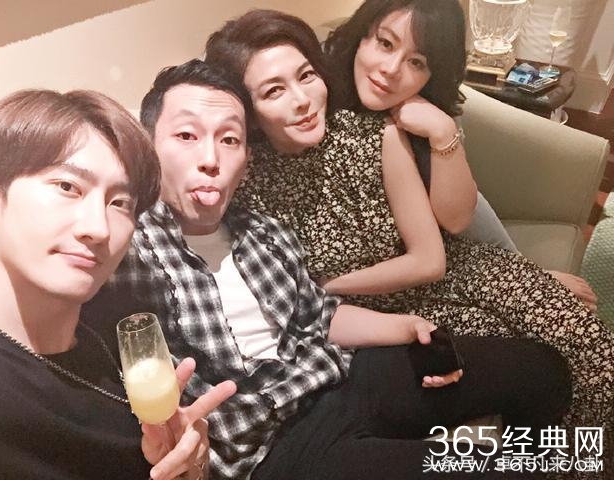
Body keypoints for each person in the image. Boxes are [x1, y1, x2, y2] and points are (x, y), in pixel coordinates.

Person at [84, 59, 572, 480]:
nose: (210, 159)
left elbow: (320, 315)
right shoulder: (127, 251)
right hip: (275, 451)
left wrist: (407, 327)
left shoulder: (262, 232)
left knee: (542, 370)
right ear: (150, 148)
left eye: (229, 139)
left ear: (246, 159)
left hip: (340, 379)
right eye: (186, 136)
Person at [203, 6, 614, 474]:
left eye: (306, 76)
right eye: (275, 91)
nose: (301, 100)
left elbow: (442, 245)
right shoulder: (243, 181)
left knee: (593, 352)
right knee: (538, 362)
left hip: (457, 272)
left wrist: (322, 289)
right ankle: (559, 464)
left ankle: (586, 465)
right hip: (385, 317)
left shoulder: (376, 133)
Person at [0, 89, 236, 480]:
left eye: (120, 203)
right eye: (68, 187)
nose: (98, 228)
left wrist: (186, 466)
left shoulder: (118, 326)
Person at [324, 0, 596, 309]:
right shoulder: (315, 90)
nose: (391, 69)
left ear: (432, 75)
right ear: (361, 35)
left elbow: (457, 220)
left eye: (417, 62)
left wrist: (442, 131)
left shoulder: (428, 106)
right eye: (386, 43)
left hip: (439, 250)